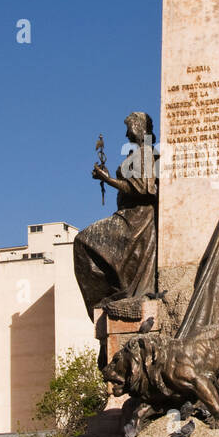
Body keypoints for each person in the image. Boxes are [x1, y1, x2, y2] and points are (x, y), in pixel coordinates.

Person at [72, 112, 158, 316]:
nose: (127, 134)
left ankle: (112, 294)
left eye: (129, 127)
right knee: (83, 243)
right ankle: (111, 295)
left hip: (137, 219)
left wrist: (108, 179)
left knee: (83, 241)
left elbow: (143, 189)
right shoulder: (137, 154)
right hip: (128, 215)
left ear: (139, 128)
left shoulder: (145, 153)